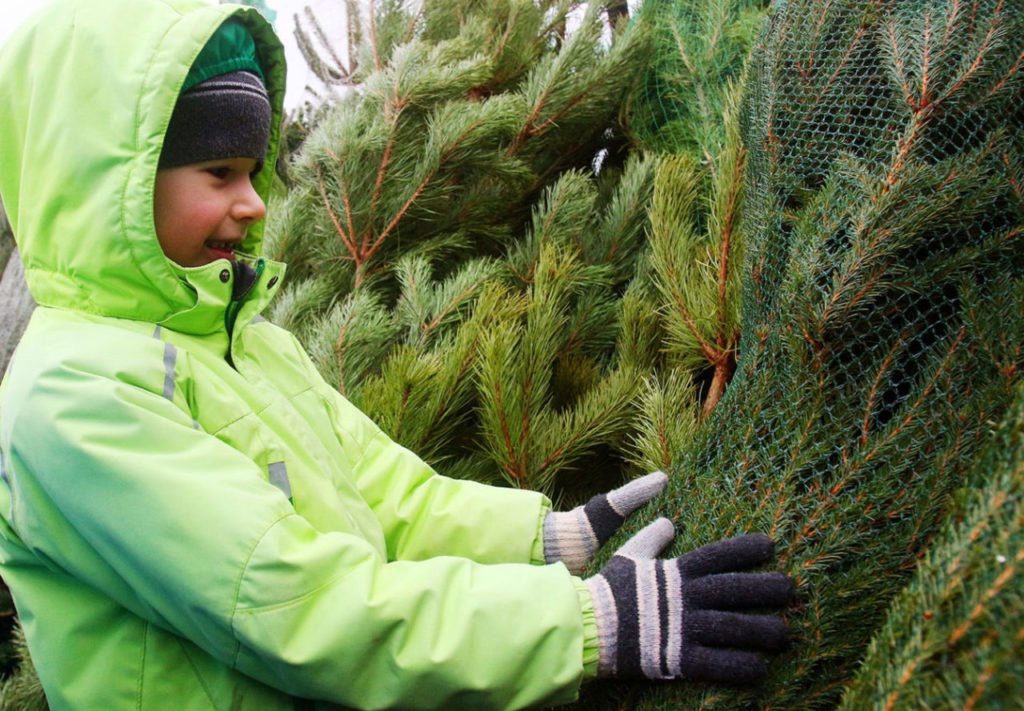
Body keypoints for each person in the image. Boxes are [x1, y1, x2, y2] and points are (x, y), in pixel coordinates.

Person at [0, 1, 793, 708]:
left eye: (251, 171)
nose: (251, 202)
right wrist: (584, 622)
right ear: (113, 182)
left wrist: (545, 539)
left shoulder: (246, 343)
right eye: (218, 172)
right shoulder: (75, 398)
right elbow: (297, 608)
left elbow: (389, 496)